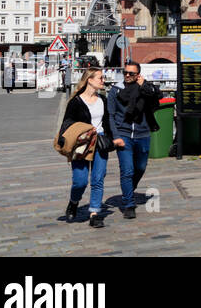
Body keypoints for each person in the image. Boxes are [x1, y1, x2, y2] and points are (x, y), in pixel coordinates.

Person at [61, 67, 123, 227]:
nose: (103, 81)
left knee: (98, 179)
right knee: (80, 181)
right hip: (82, 144)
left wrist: (113, 138)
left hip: (100, 142)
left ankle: (95, 213)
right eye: (100, 78)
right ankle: (74, 201)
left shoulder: (102, 99)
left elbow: (109, 121)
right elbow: (67, 123)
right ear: (89, 80)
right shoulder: (75, 102)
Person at [108, 61, 159, 219]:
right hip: (123, 135)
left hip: (143, 134)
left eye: (131, 73)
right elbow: (110, 115)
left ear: (138, 75)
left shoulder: (144, 89)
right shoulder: (116, 90)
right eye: (125, 73)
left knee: (141, 167)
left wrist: (145, 86)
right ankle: (129, 204)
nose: (127, 75)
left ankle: (129, 188)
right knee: (127, 170)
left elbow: (157, 97)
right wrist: (115, 136)